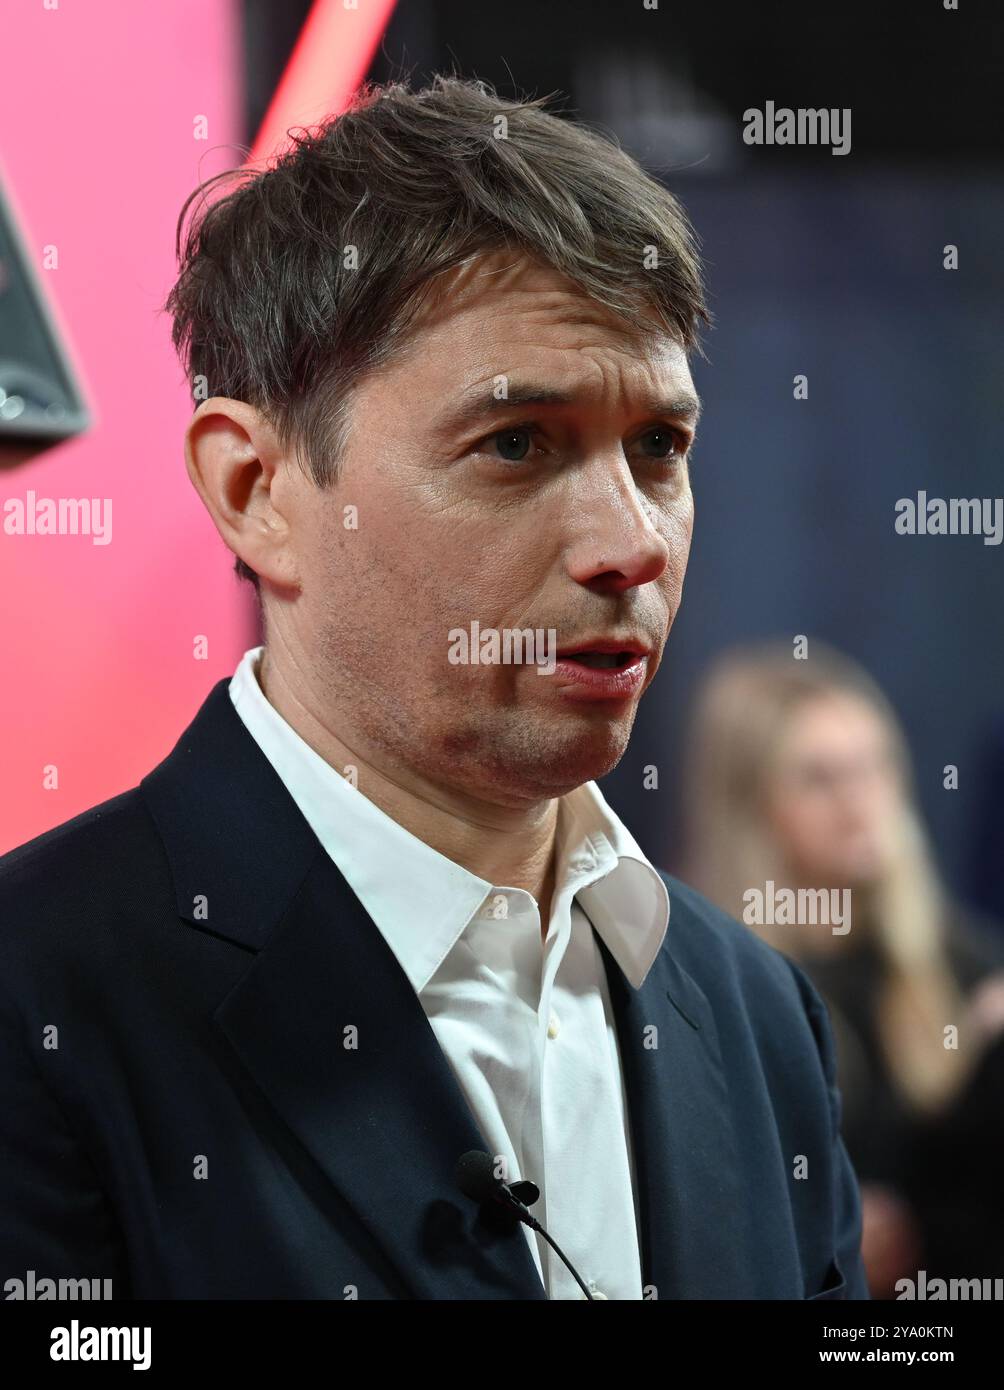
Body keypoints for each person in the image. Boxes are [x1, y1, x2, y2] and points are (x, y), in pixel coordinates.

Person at [0, 77, 868, 1301]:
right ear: (255, 492)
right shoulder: (37, 999)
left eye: (658, 448)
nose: (629, 543)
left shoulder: (756, 1010)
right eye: (516, 443)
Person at [681, 640, 1004, 1296]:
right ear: (752, 804)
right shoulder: (708, 983)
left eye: (875, 766)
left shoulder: (961, 959)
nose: (861, 802)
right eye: (820, 778)